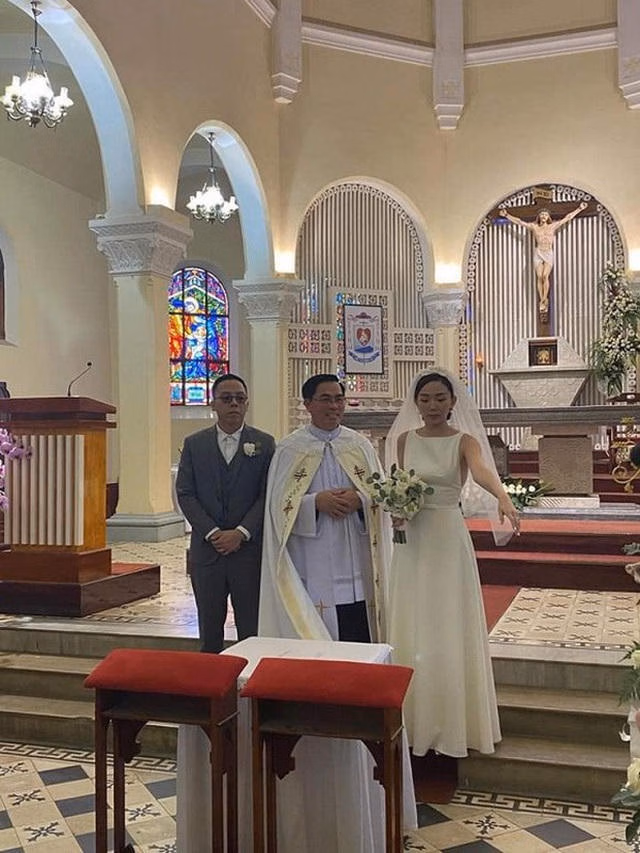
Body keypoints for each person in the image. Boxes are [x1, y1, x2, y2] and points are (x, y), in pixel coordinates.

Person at [385, 368, 519, 758]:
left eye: (440, 399)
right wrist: (397, 508)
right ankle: (414, 717)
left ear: (453, 403)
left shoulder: (465, 441)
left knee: (447, 617)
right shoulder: (404, 440)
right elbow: (398, 482)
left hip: (446, 535)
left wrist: (502, 496)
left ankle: (454, 721)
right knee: (414, 617)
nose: (432, 406)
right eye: (425, 399)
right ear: (416, 403)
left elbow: (481, 472)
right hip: (413, 538)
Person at [259, 373, 391, 643]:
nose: (334, 406)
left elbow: (381, 494)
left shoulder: (359, 445)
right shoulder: (290, 449)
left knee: (360, 626)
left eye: (339, 399)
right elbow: (277, 506)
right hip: (312, 557)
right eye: (325, 399)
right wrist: (315, 503)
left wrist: (360, 500)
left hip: (357, 555)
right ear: (308, 404)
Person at [176, 373, 275, 653]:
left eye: (240, 399)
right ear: (213, 403)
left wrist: (241, 533)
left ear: (247, 404)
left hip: (248, 553)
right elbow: (186, 493)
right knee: (209, 631)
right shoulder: (195, 444)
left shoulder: (265, 444)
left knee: (251, 630)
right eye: (227, 398)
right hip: (208, 553)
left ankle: (250, 678)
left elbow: (267, 495)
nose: (234, 404)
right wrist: (213, 533)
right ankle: (211, 680)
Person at [499, 201, 587, 314]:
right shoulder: (535, 227)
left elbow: (567, 218)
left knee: (545, 276)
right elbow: (520, 222)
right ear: (539, 217)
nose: (544, 216)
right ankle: (542, 300)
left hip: (548, 252)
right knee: (539, 276)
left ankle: (544, 299)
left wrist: (579, 209)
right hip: (538, 252)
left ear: (548, 217)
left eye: (545, 214)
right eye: (542, 214)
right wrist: (506, 215)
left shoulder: (552, 226)